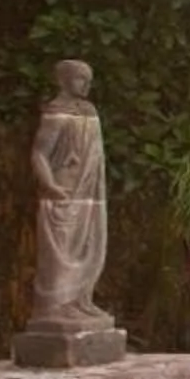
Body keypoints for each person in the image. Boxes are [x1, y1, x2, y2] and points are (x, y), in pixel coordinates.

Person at [28, 58, 113, 329]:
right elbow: (39, 153)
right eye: (80, 79)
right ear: (64, 80)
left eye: (89, 79)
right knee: (60, 251)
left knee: (90, 245)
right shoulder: (56, 112)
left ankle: (79, 301)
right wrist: (51, 186)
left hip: (89, 194)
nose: (86, 85)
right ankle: (55, 307)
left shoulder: (89, 111)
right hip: (64, 192)